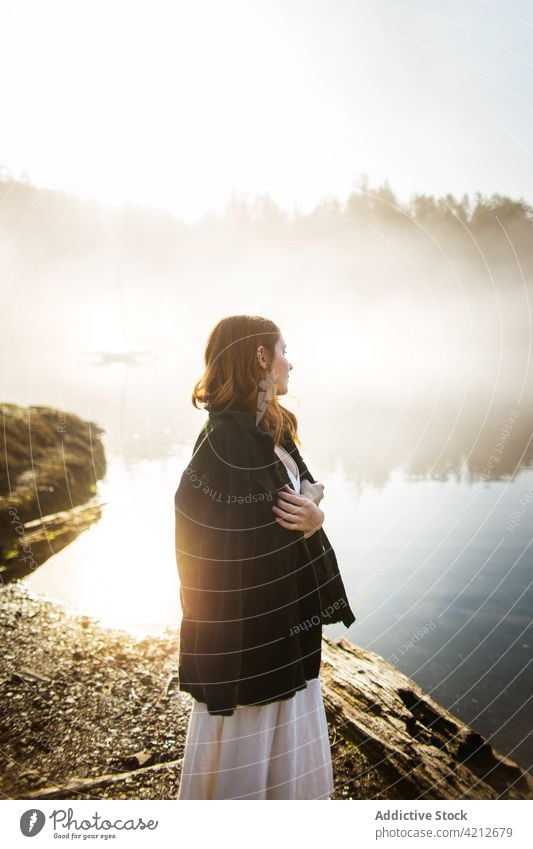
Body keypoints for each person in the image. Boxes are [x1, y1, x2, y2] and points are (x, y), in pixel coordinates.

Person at [174, 314, 355, 799]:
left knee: (286, 748)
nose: (289, 363)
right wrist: (309, 521)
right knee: (246, 762)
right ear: (259, 358)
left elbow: (304, 493)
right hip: (249, 634)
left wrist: (314, 508)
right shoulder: (226, 443)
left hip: (286, 620)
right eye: (282, 350)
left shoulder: (271, 427)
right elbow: (222, 539)